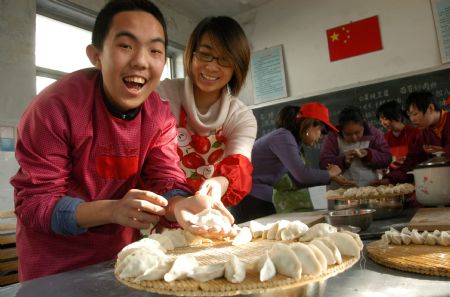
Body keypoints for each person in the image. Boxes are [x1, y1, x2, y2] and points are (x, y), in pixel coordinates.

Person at [10, 0, 232, 282]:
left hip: (122, 264)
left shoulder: (159, 116)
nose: (140, 60)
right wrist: (113, 209)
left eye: (154, 50)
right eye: (126, 46)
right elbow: (34, 205)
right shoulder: (56, 108)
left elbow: (166, 180)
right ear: (96, 55)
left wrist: (180, 206)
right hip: (53, 271)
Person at [157, 16, 257, 208]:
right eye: (205, 54)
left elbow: (239, 163)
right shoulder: (163, 95)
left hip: (208, 208)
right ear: (191, 54)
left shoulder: (241, 117)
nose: (211, 66)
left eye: (225, 59)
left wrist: (221, 182)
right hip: (160, 207)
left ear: (237, 67)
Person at [232, 103, 342, 223]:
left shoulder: (292, 142)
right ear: (310, 125)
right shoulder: (283, 137)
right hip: (249, 198)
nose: (320, 136)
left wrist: (331, 177)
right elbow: (302, 175)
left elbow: (297, 180)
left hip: (259, 197)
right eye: (322, 131)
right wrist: (329, 173)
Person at [384, 91, 450, 184]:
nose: (412, 119)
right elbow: (411, 163)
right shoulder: (423, 134)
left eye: (415, 114)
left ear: (431, 108)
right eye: (409, 115)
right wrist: (389, 179)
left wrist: (444, 151)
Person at [319, 106, 391, 188]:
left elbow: (387, 158)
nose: (354, 137)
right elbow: (324, 164)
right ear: (341, 130)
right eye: (348, 134)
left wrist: (368, 155)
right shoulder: (332, 136)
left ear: (363, 125)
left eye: (357, 132)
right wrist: (343, 161)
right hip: (341, 191)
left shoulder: (373, 133)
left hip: (369, 188)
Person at [376, 100, 420, 170]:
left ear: (398, 116)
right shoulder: (385, 138)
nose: (383, 123)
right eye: (380, 120)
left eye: (385, 118)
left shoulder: (415, 133)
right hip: (394, 175)